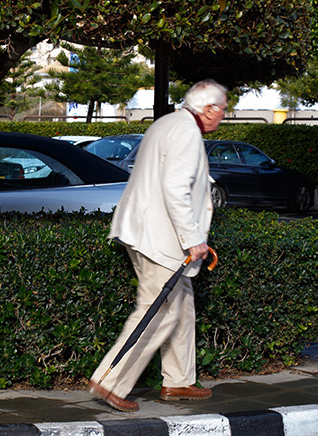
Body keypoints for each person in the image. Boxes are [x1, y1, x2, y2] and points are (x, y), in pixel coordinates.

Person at [88, 79, 228, 412]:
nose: (223, 116)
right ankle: (110, 382)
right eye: (222, 109)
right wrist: (193, 239)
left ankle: (178, 380)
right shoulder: (187, 132)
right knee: (159, 311)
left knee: (182, 304)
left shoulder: (168, 122)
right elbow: (175, 188)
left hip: (144, 230)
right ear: (207, 109)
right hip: (161, 238)